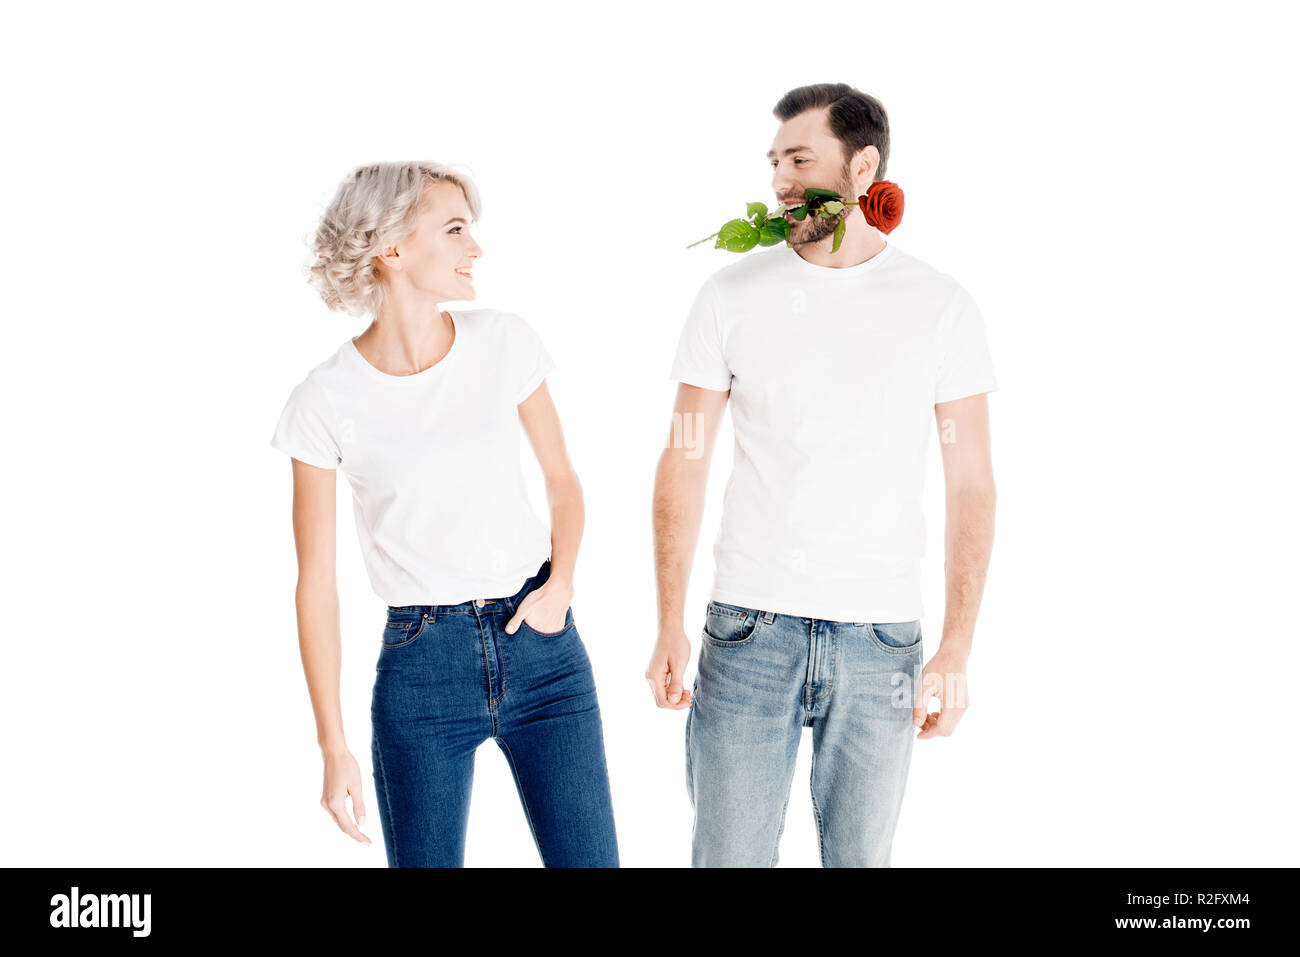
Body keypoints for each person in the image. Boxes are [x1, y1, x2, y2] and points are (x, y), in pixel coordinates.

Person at [647, 84, 998, 867]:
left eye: (799, 158)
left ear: (862, 163)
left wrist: (956, 647)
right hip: (746, 631)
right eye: (775, 160)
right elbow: (684, 455)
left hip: (881, 639)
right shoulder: (729, 295)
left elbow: (970, 481)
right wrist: (668, 618)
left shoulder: (940, 307)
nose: (779, 178)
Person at [271, 161, 618, 867]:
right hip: (421, 668)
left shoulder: (504, 341)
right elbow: (316, 582)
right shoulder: (323, 400)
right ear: (391, 247)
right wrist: (332, 743)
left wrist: (562, 587)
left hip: (544, 648)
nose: (476, 248)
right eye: (455, 229)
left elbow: (564, 481)